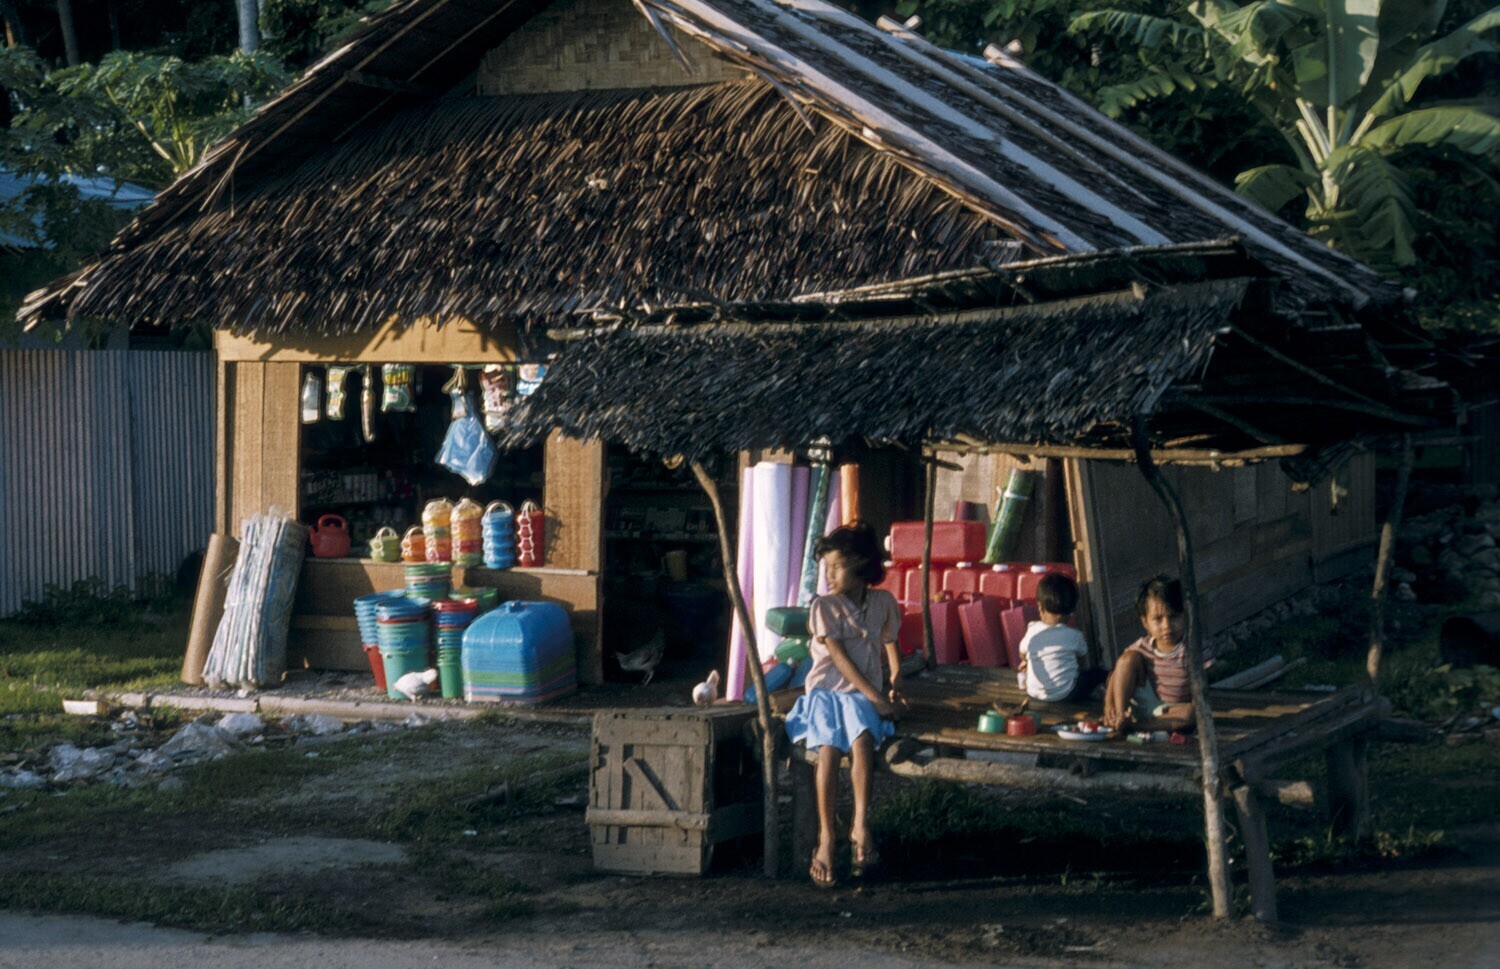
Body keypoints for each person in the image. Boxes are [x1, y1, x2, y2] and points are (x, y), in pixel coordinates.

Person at [784, 521, 904, 888]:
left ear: (861, 565)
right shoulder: (824, 606)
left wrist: (896, 681)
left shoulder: (883, 603)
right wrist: (877, 697)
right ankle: (825, 838)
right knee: (829, 750)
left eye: (837, 566)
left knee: (863, 742)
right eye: (827, 567)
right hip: (826, 693)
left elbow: (890, 644)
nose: (829, 575)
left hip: (860, 697)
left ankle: (860, 826)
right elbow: (839, 658)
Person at [1102, 575, 1196, 730]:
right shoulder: (1143, 646)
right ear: (1145, 622)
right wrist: (1109, 706)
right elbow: (1116, 674)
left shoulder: (1192, 648)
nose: (1167, 626)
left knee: (1191, 713)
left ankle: (1138, 727)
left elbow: (1203, 691)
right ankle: (1121, 717)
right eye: (1158, 619)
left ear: (1185, 615)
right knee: (1126, 660)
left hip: (1173, 713)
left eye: (1173, 617)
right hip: (1146, 704)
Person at [1015, 572, 1105, 702]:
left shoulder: (1032, 630)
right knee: (1099, 673)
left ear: (1040, 607)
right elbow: (1083, 661)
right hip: (1067, 694)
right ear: (1072, 612)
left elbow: (1022, 653)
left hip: (1034, 693)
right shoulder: (1075, 636)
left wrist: (1027, 661)